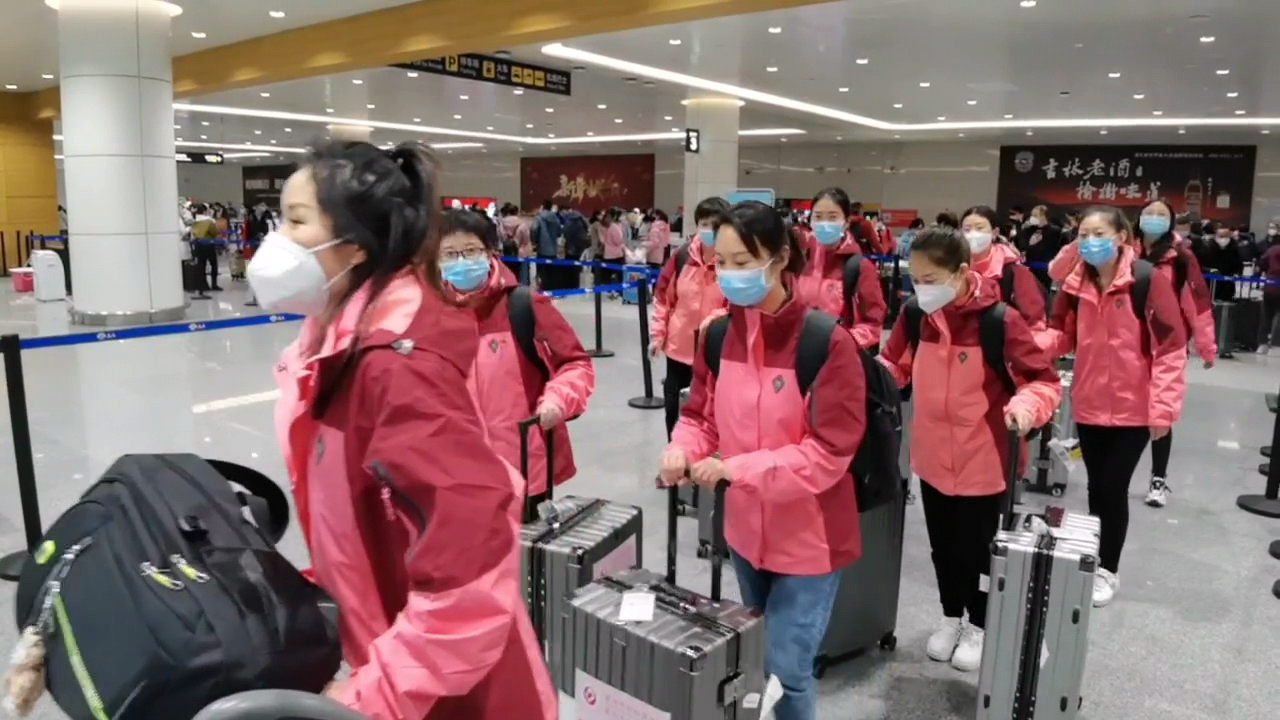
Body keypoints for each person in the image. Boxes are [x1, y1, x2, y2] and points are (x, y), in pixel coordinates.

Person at [256, 140, 557, 720]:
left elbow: (469, 565)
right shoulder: (334, 348)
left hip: (455, 695)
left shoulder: (396, 369)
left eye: (296, 221)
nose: (277, 241)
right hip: (391, 646)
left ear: (354, 243)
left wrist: (376, 697)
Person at [659, 201, 866, 720]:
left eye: (743, 262)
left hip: (811, 538)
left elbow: (829, 452)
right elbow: (700, 415)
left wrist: (737, 469)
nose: (730, 275)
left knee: (786, 668)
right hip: (745, 532)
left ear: (778, 259)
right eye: (721, 262)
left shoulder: (825, 342)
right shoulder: (718, 335)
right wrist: (682, 447)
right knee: (755, 660)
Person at [878, 226, 1060, 672]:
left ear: (961, 272)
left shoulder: (999, 320)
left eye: (930, 278)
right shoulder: (916, 316)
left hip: (986, 459)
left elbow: (1042, 381)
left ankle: (980, 622)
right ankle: (950, 615)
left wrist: (1025, 407)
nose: (921, 288)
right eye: (915, 278)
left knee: (979, 550)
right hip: (933, 456)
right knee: (942, 547)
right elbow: (893, 367)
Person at [1042, 205, 1187, 607]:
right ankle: (1093, 557)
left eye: (1099, 234)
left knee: (1113, 486)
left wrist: (1163, 408)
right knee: (1095, 486)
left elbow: (1171, 348)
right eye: (1083, 234)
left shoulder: (1146, 280)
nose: (1090, 242)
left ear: (1121, 236)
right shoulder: (1076, 283)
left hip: (1133, 406)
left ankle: (1109, 568)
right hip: (1090, 401)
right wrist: (1025, 347)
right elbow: (1061, 335)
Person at [435, 209, 595, 522]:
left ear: (490, 252)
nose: (461, 261)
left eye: (471, 250)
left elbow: (576, 363)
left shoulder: (523, 305)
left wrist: (557, 399)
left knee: (523, 550)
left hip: (524, 466)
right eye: (450, 254)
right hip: (454, 472)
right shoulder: (426, 313)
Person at [1119, 200, 1218, 509]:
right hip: (1126, 340)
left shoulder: (1180, 258)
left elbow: (1197, 302)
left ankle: (1158, 479)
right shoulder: (1125, 251)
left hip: (1165, 342)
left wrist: (1206, 345)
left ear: (1171, 221)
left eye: (1161, 214)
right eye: (1149, 213)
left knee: (1160, 410)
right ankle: (1117, 477)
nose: (1154, 218)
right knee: (1125, 410)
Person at [650, 196, 731, 438]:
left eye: (716, 225)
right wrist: (658, 335)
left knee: (711, 412)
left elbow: (736, 308)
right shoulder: (682, 256)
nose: (710, 230)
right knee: (674, 409)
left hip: (715, 352)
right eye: (705, 224)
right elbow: (663, 297)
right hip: (679, 349)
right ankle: (674, 454)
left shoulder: (732, 262)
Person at [794, 187, 888, 351]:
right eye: (818, 217)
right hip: (799, 354)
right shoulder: (799, 259)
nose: (824, 224)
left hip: (840, 357)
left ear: (846, 222)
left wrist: (840, 344)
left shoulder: (859, 267)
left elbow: (873, 323)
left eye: (832, 217)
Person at [959, 206, 1048, 344]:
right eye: (967, 229)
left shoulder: (1013, 271)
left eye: (980, 228)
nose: (972, 234)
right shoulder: (951, 268)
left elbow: (1034, 319)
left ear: (994, 232)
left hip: (1001, 348)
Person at [188, 203, 222, 291]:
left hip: (198, 245)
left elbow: (192, 233)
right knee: (213, 264)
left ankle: (203, 285)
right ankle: (214, 284)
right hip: (208, 244)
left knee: (201, 265)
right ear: (205, 211)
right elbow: (214, 232)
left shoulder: (194, 221)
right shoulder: (209, 221)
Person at [531, 199, 563, 290]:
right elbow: (559, 233)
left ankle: (540, 288)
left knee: (540, 270)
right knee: (551, 271)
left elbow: (533, 229)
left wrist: (534, 241)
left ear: (543, 206)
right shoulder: (555, 218)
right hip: (553, 249)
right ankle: (550, 288)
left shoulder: (538, 218)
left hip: (541, 248)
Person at [1257, 238, 1280, 354]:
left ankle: (1262, 345)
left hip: (1269, 286)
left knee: (1266, 316)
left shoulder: (1272, 249)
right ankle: (1276, 345)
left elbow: (1262, 264)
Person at [597, 208, 626, 290]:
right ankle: (616, 290)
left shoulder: (611, 227)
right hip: (615, 254)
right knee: (617, 274)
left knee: (608, 275)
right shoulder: (614, 227)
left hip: (609, 254)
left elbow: (604, 240)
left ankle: (611, 290)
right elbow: (618, 241)